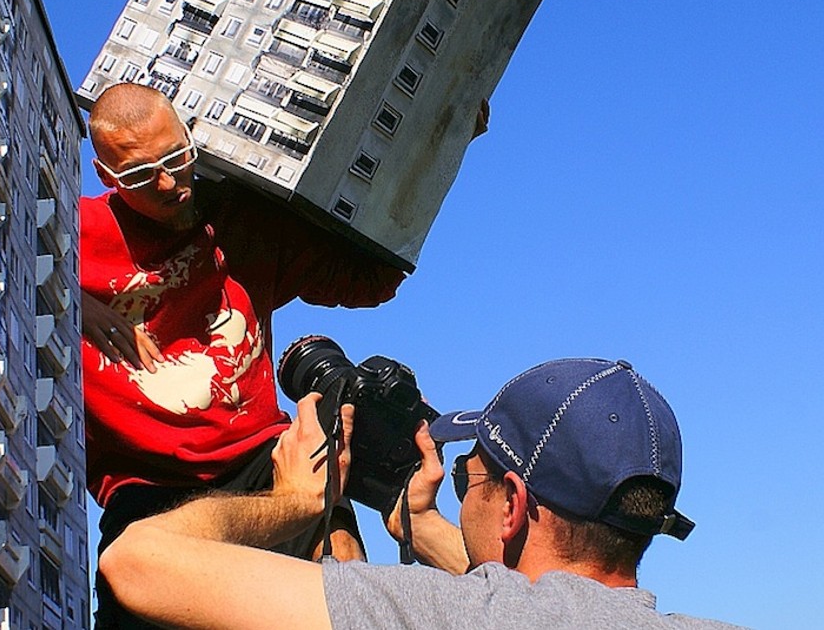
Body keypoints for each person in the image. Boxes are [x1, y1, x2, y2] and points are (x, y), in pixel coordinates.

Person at [80, 83, 408, 626]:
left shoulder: (245, 222)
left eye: (176, 159)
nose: (169, 185)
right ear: (106, 175)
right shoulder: (73, 234)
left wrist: (435, 141)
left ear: (191, 138)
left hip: (261, 456)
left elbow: (375, 276)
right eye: (141, 176)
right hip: (147, 487)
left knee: (344, 574)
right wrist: (70, 299)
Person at [99, 357, 743, 629]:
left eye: (470, 477)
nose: (461, 490)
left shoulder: (452, 616)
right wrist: (421, 524)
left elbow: (135, 564)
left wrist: (293, 502)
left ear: (514, 504)